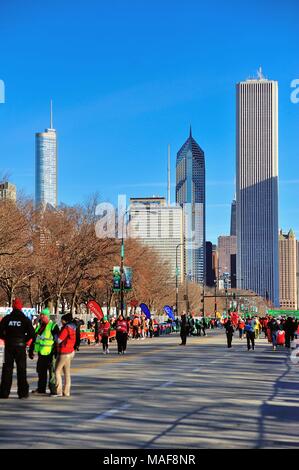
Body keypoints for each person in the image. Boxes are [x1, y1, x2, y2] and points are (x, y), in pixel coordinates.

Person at [0, 298, 35, 399]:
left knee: (7, 370)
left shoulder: (7, 319)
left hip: (9, 346)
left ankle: (4, 392)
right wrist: (24, 340)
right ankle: (23, 393)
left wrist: (6, 338)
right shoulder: (25, 319)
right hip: (21, 346)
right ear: (21, 307)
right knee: (22, 370)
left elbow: (0, 331)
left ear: (13, 307)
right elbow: (32, 334)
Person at [29, 308, 60, 395]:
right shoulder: (40, 326)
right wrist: (31, 350)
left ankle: (53, 390)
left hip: (50, 353)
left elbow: (57, 340)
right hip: (41, 353)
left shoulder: (53, 326)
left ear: (47, 316)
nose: (41, 316)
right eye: (41, 315)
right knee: (41, 372)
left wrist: (56, 351)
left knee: (52, 373)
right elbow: (35, 339)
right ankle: (41, 389)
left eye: (43, 315)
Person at [53, 314, 77, 397]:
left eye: (62, 320)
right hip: (70, 351)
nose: (61, 321)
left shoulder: (66, 328)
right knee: (67, 372)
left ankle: (58, 391)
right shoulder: (73, 328)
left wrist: (55, 335)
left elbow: (59, 340)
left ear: (65, 321)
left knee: (57, 371)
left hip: (64, 352)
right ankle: (66, 392)